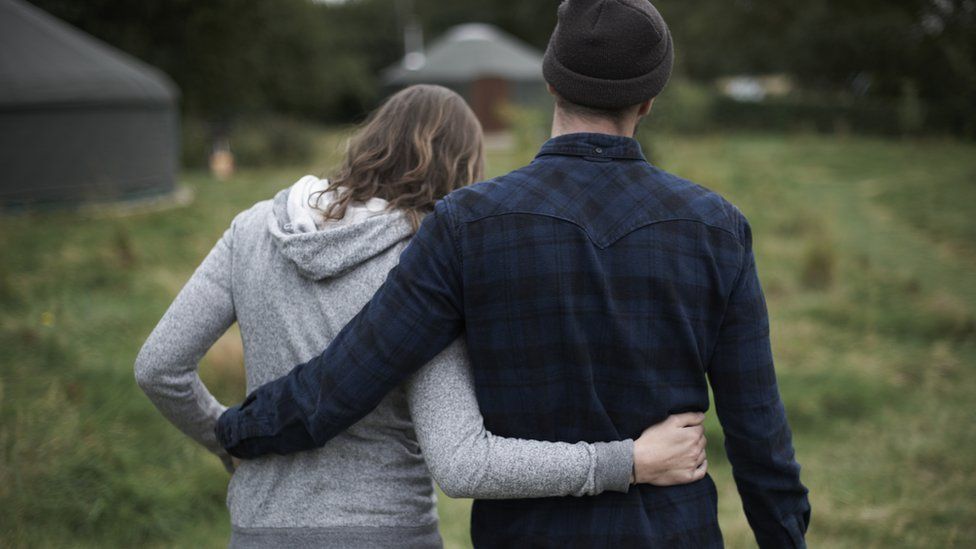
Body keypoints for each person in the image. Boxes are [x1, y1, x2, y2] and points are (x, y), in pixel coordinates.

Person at [217, 0, 812, 545]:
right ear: (650, 98)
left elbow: (346, 378)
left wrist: (238, 430)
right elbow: (760, 437)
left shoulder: (464, 225)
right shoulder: (717, 228)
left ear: (551, 84)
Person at [135, 84, 709, 549]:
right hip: (387, 531)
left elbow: (158, 367)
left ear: (371, 140)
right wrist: (627, 461)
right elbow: (462, 464)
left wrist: (227, 442)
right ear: (463, 169)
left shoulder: (253, 228)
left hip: (258, 531)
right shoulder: (429, 263)